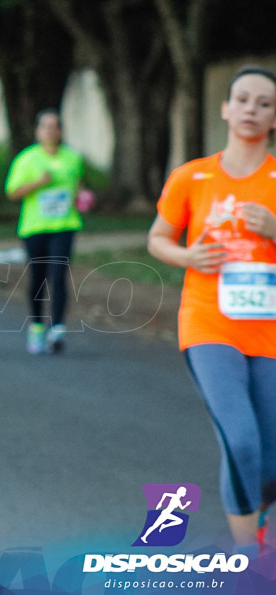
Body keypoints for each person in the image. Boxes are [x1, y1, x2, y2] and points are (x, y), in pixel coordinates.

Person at [148, 65, 276, 553]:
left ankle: (254, 514)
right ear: (226, 108)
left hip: (269, 328)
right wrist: (188, 256)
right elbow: (158, 239)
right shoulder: (193, 176)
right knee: (240, 440)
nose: (251, 110)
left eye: (263, 103)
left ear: (274, 116)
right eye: (242, 99)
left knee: (268, 461)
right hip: (209, 321)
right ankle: (253, 557)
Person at [4, 108, 87, 354]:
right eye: (46, 126)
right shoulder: (27, 159)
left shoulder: (72, 158)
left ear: (60, 131)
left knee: (59, 275)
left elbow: (79, 185)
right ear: (38, 131)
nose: (51, 130)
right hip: (34, 227)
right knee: (38, 278)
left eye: (55, 126)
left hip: (64, 225)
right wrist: (39, 183)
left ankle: (57, 328)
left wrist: (82, 197)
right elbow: (12, 192)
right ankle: (37, 326)